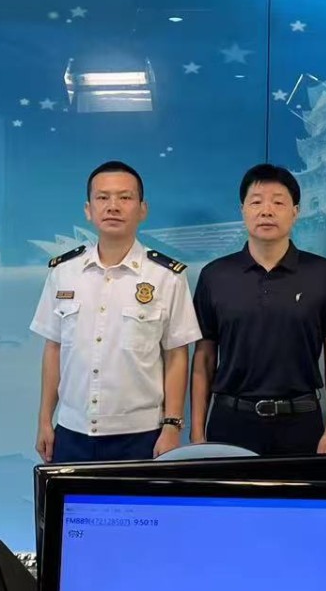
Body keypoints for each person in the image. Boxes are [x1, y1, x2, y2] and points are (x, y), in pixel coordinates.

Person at [32, 161, 200, 464]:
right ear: (88, 209)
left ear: (142, 209)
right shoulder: (63, 273)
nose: (113, 206)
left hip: (142, 435)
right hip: (72, 430)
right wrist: (45, 420)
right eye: (102, 197)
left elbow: (176, 354)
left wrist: (172, 426)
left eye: (125, 197)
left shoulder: (167, 276)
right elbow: (54, 348)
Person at [190, 164, 326, 457]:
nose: (266, 211)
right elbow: (204, 357)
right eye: (256, 202)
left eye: (278, 202)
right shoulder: (215, 275)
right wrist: (197, 433)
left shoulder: (322, 273)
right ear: (242, 210)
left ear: (295, 211)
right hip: (231, 423)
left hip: (301, 423)